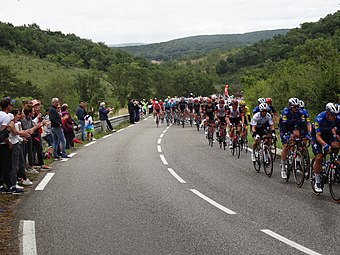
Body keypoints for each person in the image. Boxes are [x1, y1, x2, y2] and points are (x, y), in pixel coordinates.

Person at [311, 103, 340, 193]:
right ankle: (317, 181)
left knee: (337, 145)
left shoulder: (337, 118)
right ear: (327, 113)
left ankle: (333, 162)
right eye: (333, 115)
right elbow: (318, 136)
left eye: (336, 115)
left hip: (328, 135)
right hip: (317, 136)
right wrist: (325, 145)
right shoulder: (319, 118)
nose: (334, 117)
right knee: (319, 157)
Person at [279, 97, 306, 179]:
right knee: (286, 146)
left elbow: (303, 125)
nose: (296, 108)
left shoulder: (300, 112)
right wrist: (288, 135)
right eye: (294, 107)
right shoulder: (285, 112)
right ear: (290, 106)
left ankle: (294, 156)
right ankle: (283, 168)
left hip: (293, 127)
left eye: (297, 106)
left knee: (296, 140)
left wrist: (304, 135)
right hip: (284, 128)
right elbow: (284, 126)